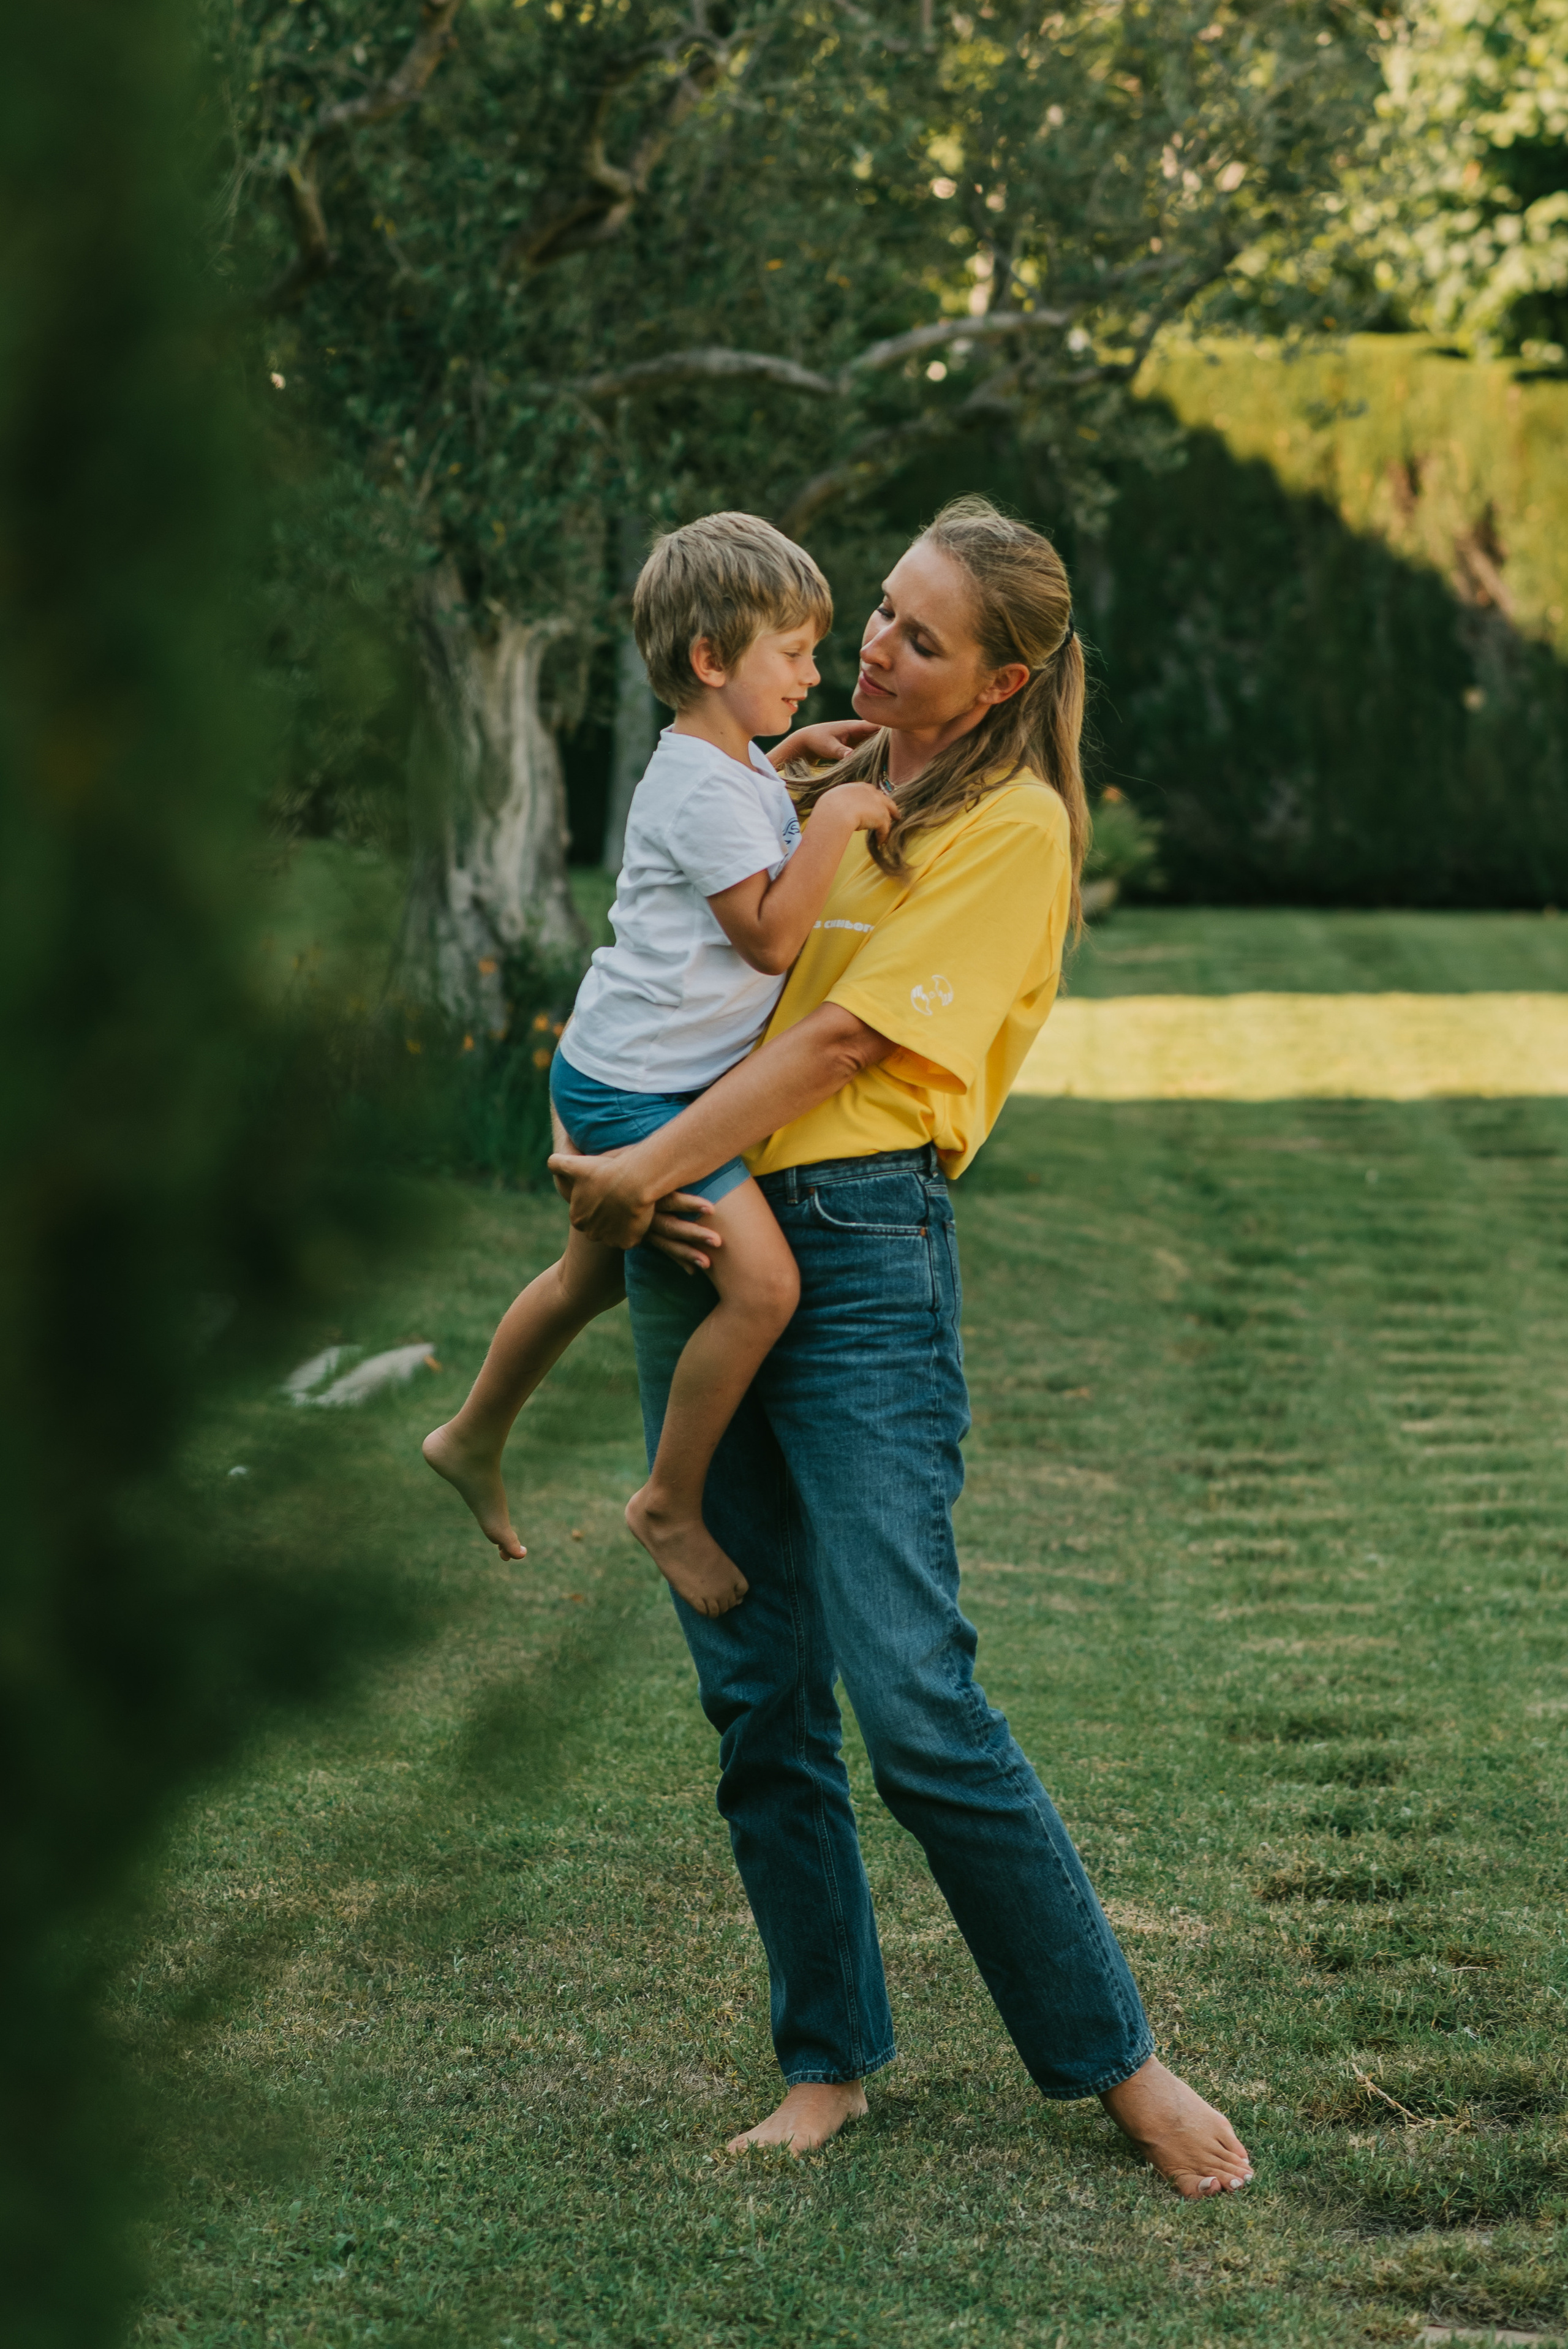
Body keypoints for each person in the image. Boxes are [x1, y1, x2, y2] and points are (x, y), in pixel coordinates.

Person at [548, 497, 1256, 2200]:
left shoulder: (1011, 825)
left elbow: (849, 1034)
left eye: (921, 638)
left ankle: (1119, 2063)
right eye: (877, 612)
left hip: (848, 1247)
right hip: (711, 1225)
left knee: (914, 1696)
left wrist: (640, 1166)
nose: (875, 645)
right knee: (755, 1689)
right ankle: (825, 2059)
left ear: (1003, 677)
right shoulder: (828, 778)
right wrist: (656, 1153)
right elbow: (710, 945)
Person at [423, 513, 890, 1617]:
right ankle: (670, 1503)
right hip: (641, 1087)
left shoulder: (722, 768)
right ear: (711, 660)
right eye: (795, 655)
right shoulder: (697, 789)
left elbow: (737, 811)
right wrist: (844, 819)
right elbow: (771, 935)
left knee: (590, 1276)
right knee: (765, 1285)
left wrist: (789, 765)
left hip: (616, 1062)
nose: (814, 672)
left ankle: (471, 1429)